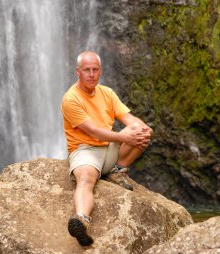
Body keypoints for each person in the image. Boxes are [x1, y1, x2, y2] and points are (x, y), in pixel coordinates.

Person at [61, 51, 153, 246]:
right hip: (84, 150)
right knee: (86, 179)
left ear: (100, 71)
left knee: (140, 130)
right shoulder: (71, 99)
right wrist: (123, 136)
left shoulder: (107, 93)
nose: (91, 74)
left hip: (108, 151)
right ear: (78, 72)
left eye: (95, 70)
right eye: (87, 70)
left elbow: (129, 119)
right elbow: (93, 131)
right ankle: (81, 220)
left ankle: (117, 170)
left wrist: (142, 129)